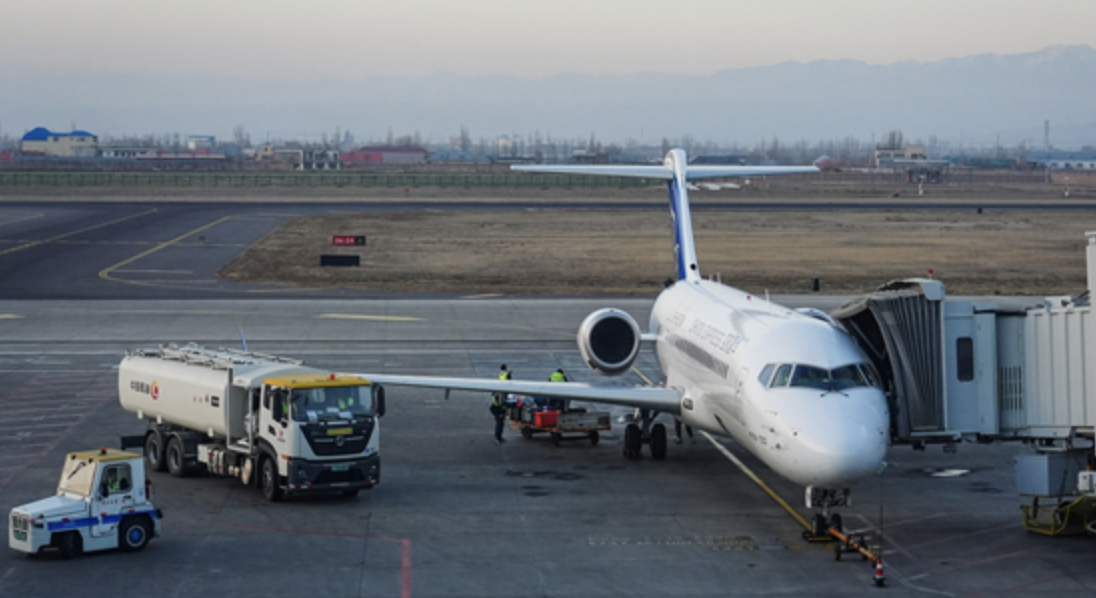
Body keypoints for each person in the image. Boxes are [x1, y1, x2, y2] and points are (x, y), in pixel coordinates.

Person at [491, 364, 512, 443]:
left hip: (496, 407)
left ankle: (498, 436)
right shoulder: (507, 375)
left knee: (499, 423)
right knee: (500, 424)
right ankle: (498, 437)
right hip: (499, 409)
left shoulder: (501, 374)